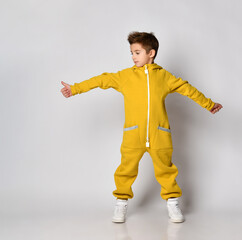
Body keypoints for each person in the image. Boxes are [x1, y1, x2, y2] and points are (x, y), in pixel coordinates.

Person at [60, 31, 223, 223]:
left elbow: (188, 89)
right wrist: (75, 88)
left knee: (166, 170)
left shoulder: (164, 77)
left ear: (151, 53)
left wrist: (208, 104)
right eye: (131, 53)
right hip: (133, 134)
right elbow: (101, 80)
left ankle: (173, 205)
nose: (133, 57)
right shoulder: (125, 77)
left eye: (137, 52)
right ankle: (121, 204)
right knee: (125, 170)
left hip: (159, 134)